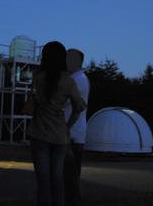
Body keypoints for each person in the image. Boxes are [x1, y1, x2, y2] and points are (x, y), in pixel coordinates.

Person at [29, 41, 85, 206]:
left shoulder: (37, 77)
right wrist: (68, 126)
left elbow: (33, 102)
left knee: (43, 181)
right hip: (60, 136)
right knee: (57, 179)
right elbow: (79, 107)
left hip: (39, 134)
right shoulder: (69, 81)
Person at [63, 49, 90, 206]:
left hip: (71, 133)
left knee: (70, 177)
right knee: (71, 176)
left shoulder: (76, 80)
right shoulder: (79, 78)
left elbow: (63, 101)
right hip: (75, 133)